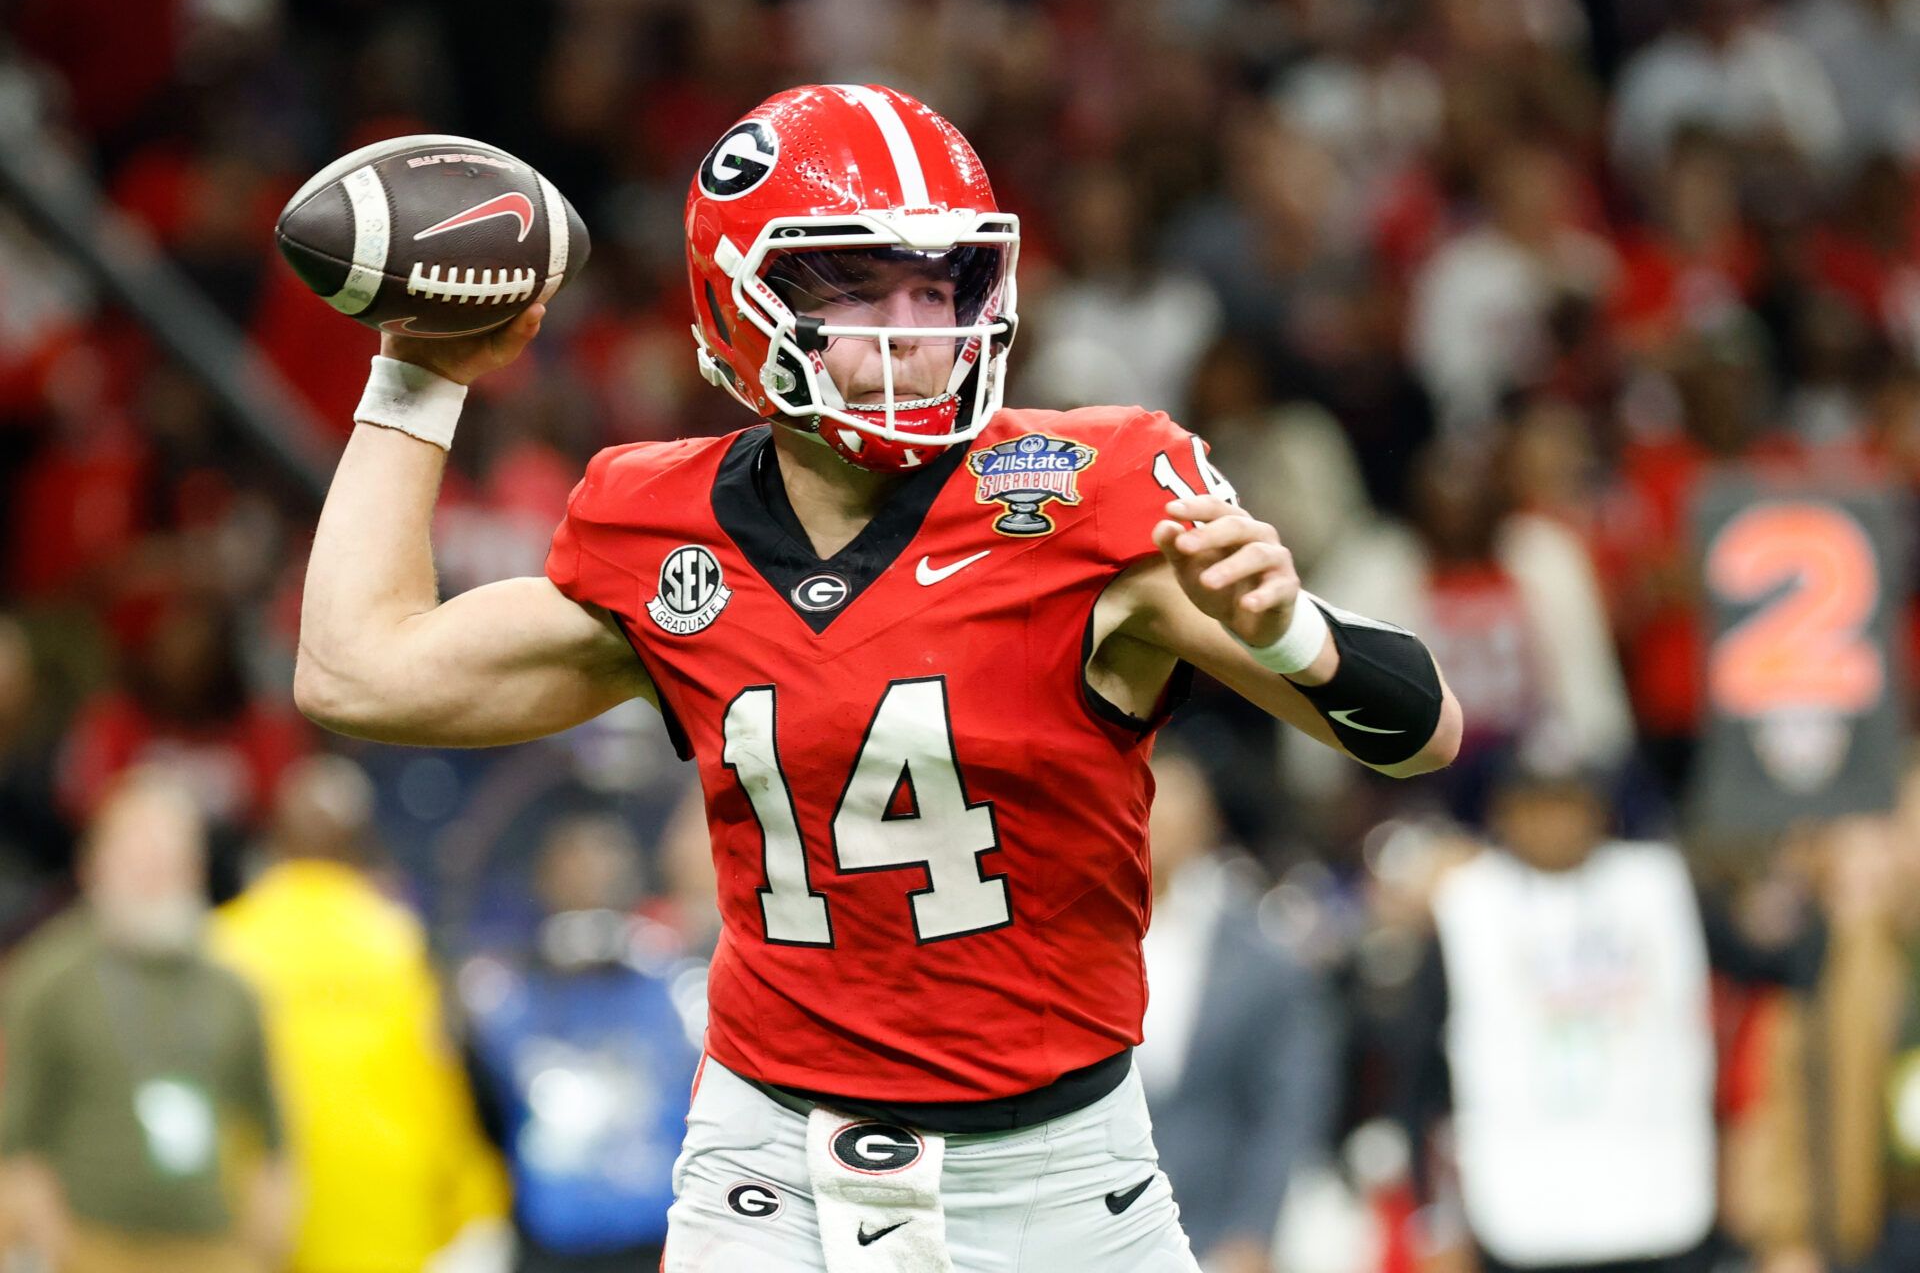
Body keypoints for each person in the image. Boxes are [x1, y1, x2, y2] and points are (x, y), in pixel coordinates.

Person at [293, 84, 1461, 1272]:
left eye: (937, 282)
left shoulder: (1091, 493)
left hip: (1053, 1173)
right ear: (736, 306)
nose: (912, 325)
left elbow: (1423, 734)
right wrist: (416, 378)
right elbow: (358, 670)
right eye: (855, 285)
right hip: (770, 1163)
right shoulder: (658, 526)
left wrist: (1290, 638)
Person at [1391, 756, 1823, 1273]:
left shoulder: (1659, 887)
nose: (1555, 824)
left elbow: (1778, 966)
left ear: (1600, 811)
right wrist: (1433, 1218)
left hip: (1659, 1205)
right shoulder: (1469, 905)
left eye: (1569, 805)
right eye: (1536, 807)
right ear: (1502, 815)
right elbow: (1417, 1076)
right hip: (1522, 1212)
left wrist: (1809, 869)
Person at [210, 753, 512, 1273]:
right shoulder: (397, 943)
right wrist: (478, 1203)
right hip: (393, 1227)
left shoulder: (225, 944)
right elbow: (440, 1086)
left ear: (269, 844)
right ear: (364, 848)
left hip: (263, 1228)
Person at [0, 767, 293, 1273]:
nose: (152, 869)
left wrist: (259, 1252)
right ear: (94, 864)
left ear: (195, 868)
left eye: (168, 854)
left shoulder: (236, 985)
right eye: (136, 852)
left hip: (211, 1251)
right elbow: (16, 1140)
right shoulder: (48, 978)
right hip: (90, 1249)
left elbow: (274, 1140)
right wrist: (47, 1246)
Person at [461, 813, 702, 1273]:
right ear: (544, 880)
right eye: (575, 867)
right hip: (549, 1245)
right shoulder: (501, 999)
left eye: (608, 866)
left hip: (658, 1241)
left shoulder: (684, 995)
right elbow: (482, 1117)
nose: (594, 877)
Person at [1137, 747, 1338, 1273]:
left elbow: (1288, 1106)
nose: (1152, 824)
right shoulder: (1063, 943)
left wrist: (1254, 1232)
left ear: (1207, 822)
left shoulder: (1263, 954)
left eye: (1168, 807)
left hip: (1220, 1232)